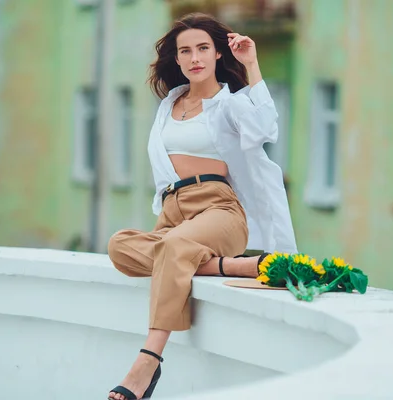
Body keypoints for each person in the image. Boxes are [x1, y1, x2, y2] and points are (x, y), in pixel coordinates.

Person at [106, 12, 297, 400]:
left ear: (216, 55)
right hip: (173, 211)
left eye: (203, 49)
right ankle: (233, 266)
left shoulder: (228, 106)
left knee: (175, 249)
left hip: (220, 210)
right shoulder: (169, 105)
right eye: (186, 51)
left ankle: (148, 360)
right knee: (119, 246)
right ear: (177, 60)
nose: (195, 58)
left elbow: (265, 128)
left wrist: (252, 64)